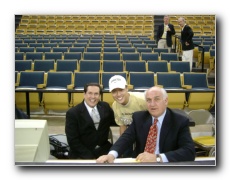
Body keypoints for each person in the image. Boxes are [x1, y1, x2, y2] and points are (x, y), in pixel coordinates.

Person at [96, 86, 196, 163]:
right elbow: (125, 138)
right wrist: (111, 155)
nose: (152, 104)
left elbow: (189, 151)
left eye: (156, 99)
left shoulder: (179, 121)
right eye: (148, 100)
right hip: (141, 165)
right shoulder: (139, 118)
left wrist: (157, 157)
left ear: (165, 101)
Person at [65, 82, 117, 159]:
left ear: (99, 95)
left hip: (103, 150)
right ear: (84, 94)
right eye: (90, 93)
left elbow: (116, 121)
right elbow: (73, 141)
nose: (93, 97)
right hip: (82, 152)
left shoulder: (105, 107)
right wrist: (90, 158)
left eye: (96, 94)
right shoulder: (73, 113)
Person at [109, 75, 147, 157]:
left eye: (121, 90)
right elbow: (122, 126)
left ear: (126, 88)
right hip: (130, 131)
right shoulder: (115, 105)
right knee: (125, 154)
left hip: (147, 130)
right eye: (114, 91)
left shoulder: (143, 100)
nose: (118, 94)